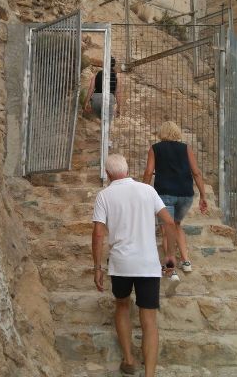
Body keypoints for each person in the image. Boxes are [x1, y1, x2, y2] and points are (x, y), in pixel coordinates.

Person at [91, 154, 176, 377]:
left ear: (108, 174)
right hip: (147, 264)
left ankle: (128, 360)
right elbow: (168, 221)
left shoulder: (104, 196)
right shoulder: (148, 191)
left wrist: (97, 267)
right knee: (149, 320)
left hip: (121, 264)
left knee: (122, 306)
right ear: (127, 170)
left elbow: (98, 234)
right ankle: (149, 374)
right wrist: (170, 255)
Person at [142, 121, 208, 280]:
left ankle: (171, 268)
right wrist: (203, 196)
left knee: (166, 230)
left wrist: (143, 190)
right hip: (185, 195)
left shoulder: (155, 148)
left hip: (165, 194)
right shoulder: (186, 148)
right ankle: (186, 261)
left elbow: (149, 171)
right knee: (177, 225)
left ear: (161, 133)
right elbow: (197, 173)